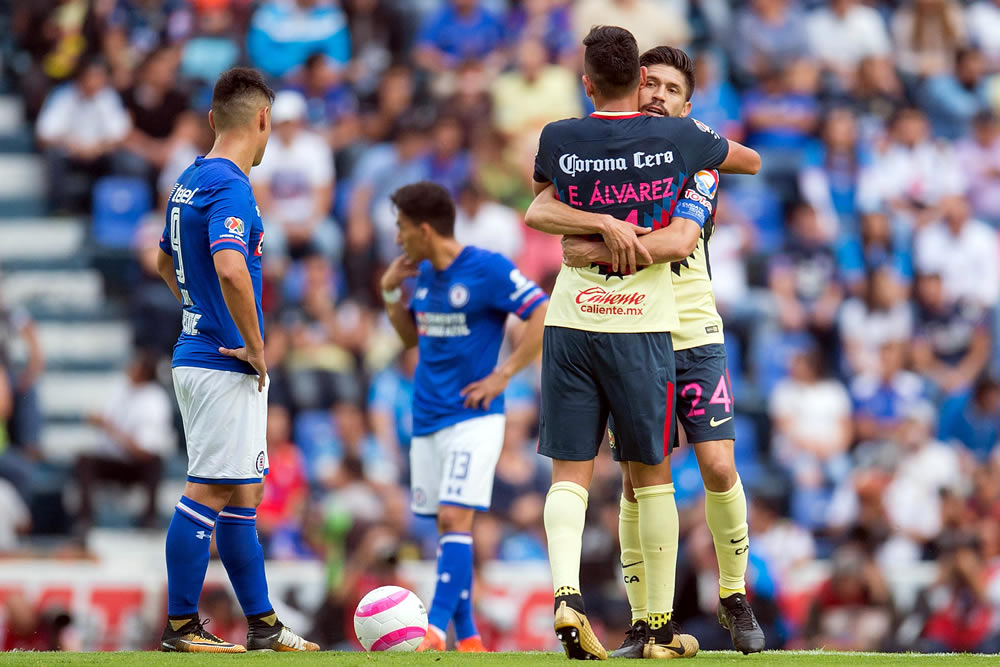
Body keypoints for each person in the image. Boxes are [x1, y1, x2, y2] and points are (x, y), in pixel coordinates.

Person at [526, 26, 760, 660]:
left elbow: (680, 241)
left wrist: (594, 245)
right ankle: (645, 623)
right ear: (635, 85)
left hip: (691, 326)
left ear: (688, 104)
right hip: (637, 325)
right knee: (637, 478)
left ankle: (734, 594)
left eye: (671, 88)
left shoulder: (696, 161)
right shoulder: (658, 150)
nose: (657, 94)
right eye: (649, 83)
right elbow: (542, 208)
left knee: (716, 465)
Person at [154, 67, 318, 653]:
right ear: (263, 120)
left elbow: (163, 263)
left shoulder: (188, 181)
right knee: (208, 490)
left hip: (199, 350)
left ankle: (263, 625)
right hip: (223, 359)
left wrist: (197, 310)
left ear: (211, 119)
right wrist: (250, 340)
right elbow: (229, 266)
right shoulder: (231, 186)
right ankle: (179, 626)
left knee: (243, 493)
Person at [379, 181, 548, 652]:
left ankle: (433, 631)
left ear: (425, 229)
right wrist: (391, 293)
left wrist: (505, 376)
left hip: (474, 417)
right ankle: (470, 638)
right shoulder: (428, 275)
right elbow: (412, 339)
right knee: (447, 526)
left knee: (456, 516)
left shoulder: (488, 269)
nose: (398, 239)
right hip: (427, 419)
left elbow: (540, 311)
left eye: (402, 228)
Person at [75, 350, 174, 532]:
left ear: (145, 372)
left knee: (155, 464)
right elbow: (96, 414)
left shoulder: (155, 400)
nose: (130, 367)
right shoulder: (120, 386)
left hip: (136, 465)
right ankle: (84, 520)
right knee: (84, 461)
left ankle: (149, 519)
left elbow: (144, 451)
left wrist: (110, 429)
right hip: (111, 458)